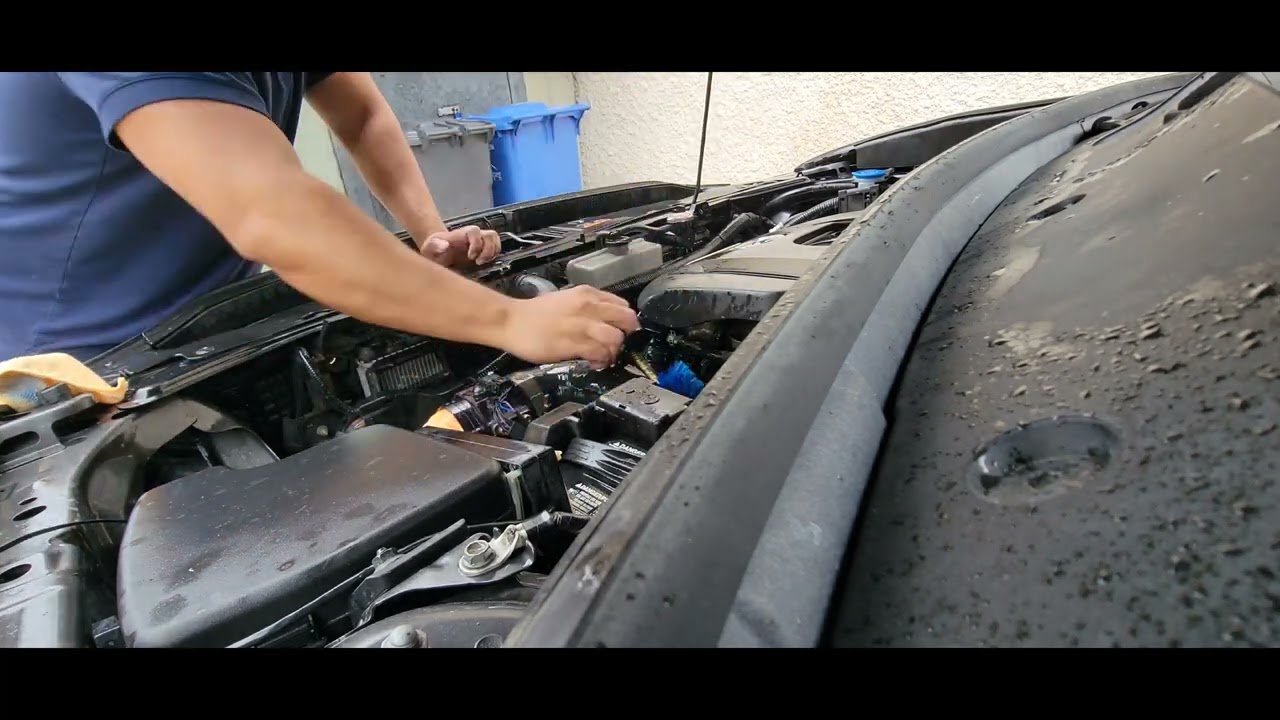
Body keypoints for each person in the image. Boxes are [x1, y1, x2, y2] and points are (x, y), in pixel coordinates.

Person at [0, 72, 639, 368]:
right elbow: (270, 207)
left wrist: (430, 235)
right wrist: (508, 320)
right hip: (72, 371)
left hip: (206, 323)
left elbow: (361, 116)